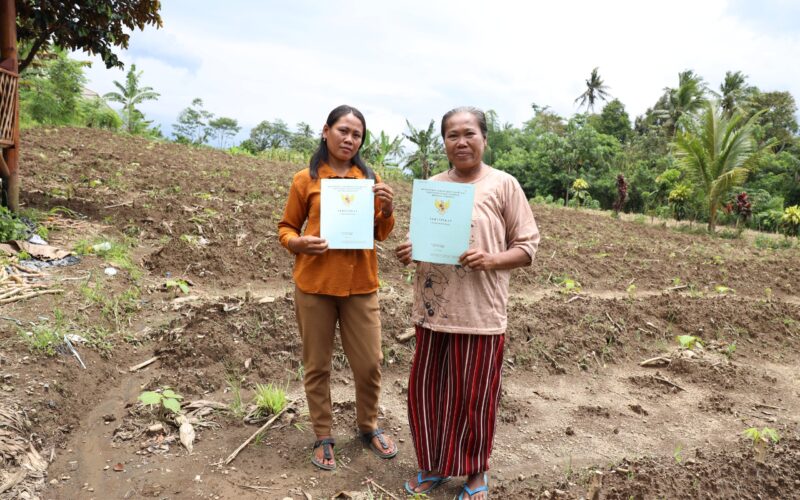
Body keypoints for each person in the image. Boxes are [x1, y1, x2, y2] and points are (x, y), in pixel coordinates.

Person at [396, 106, 540, 499]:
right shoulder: (433, 186)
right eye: (452, 135)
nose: (461, 142)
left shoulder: (503, 185)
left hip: (480, 312)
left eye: (469, 133)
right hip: (434, 310)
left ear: (484, 139)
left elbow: (527, 247)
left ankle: (476, 473)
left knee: (475, 398)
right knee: (428, 393)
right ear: (444, 142)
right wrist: (410, 250)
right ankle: (434, 466)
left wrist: (491, 259)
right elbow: (422, 239)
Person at [278, 104, 398, 471]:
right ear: (326, 131)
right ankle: (323, 434)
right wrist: (298, 243)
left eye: (356, 134)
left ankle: (368, 425)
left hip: (361, 285)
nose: (349, 139)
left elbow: (380, 233)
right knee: (317, 365)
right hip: (315, 285)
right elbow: (286, 228)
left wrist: (387, 210)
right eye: (343, 130)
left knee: (370, 363)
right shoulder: (305, 180)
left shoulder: (370, 180)